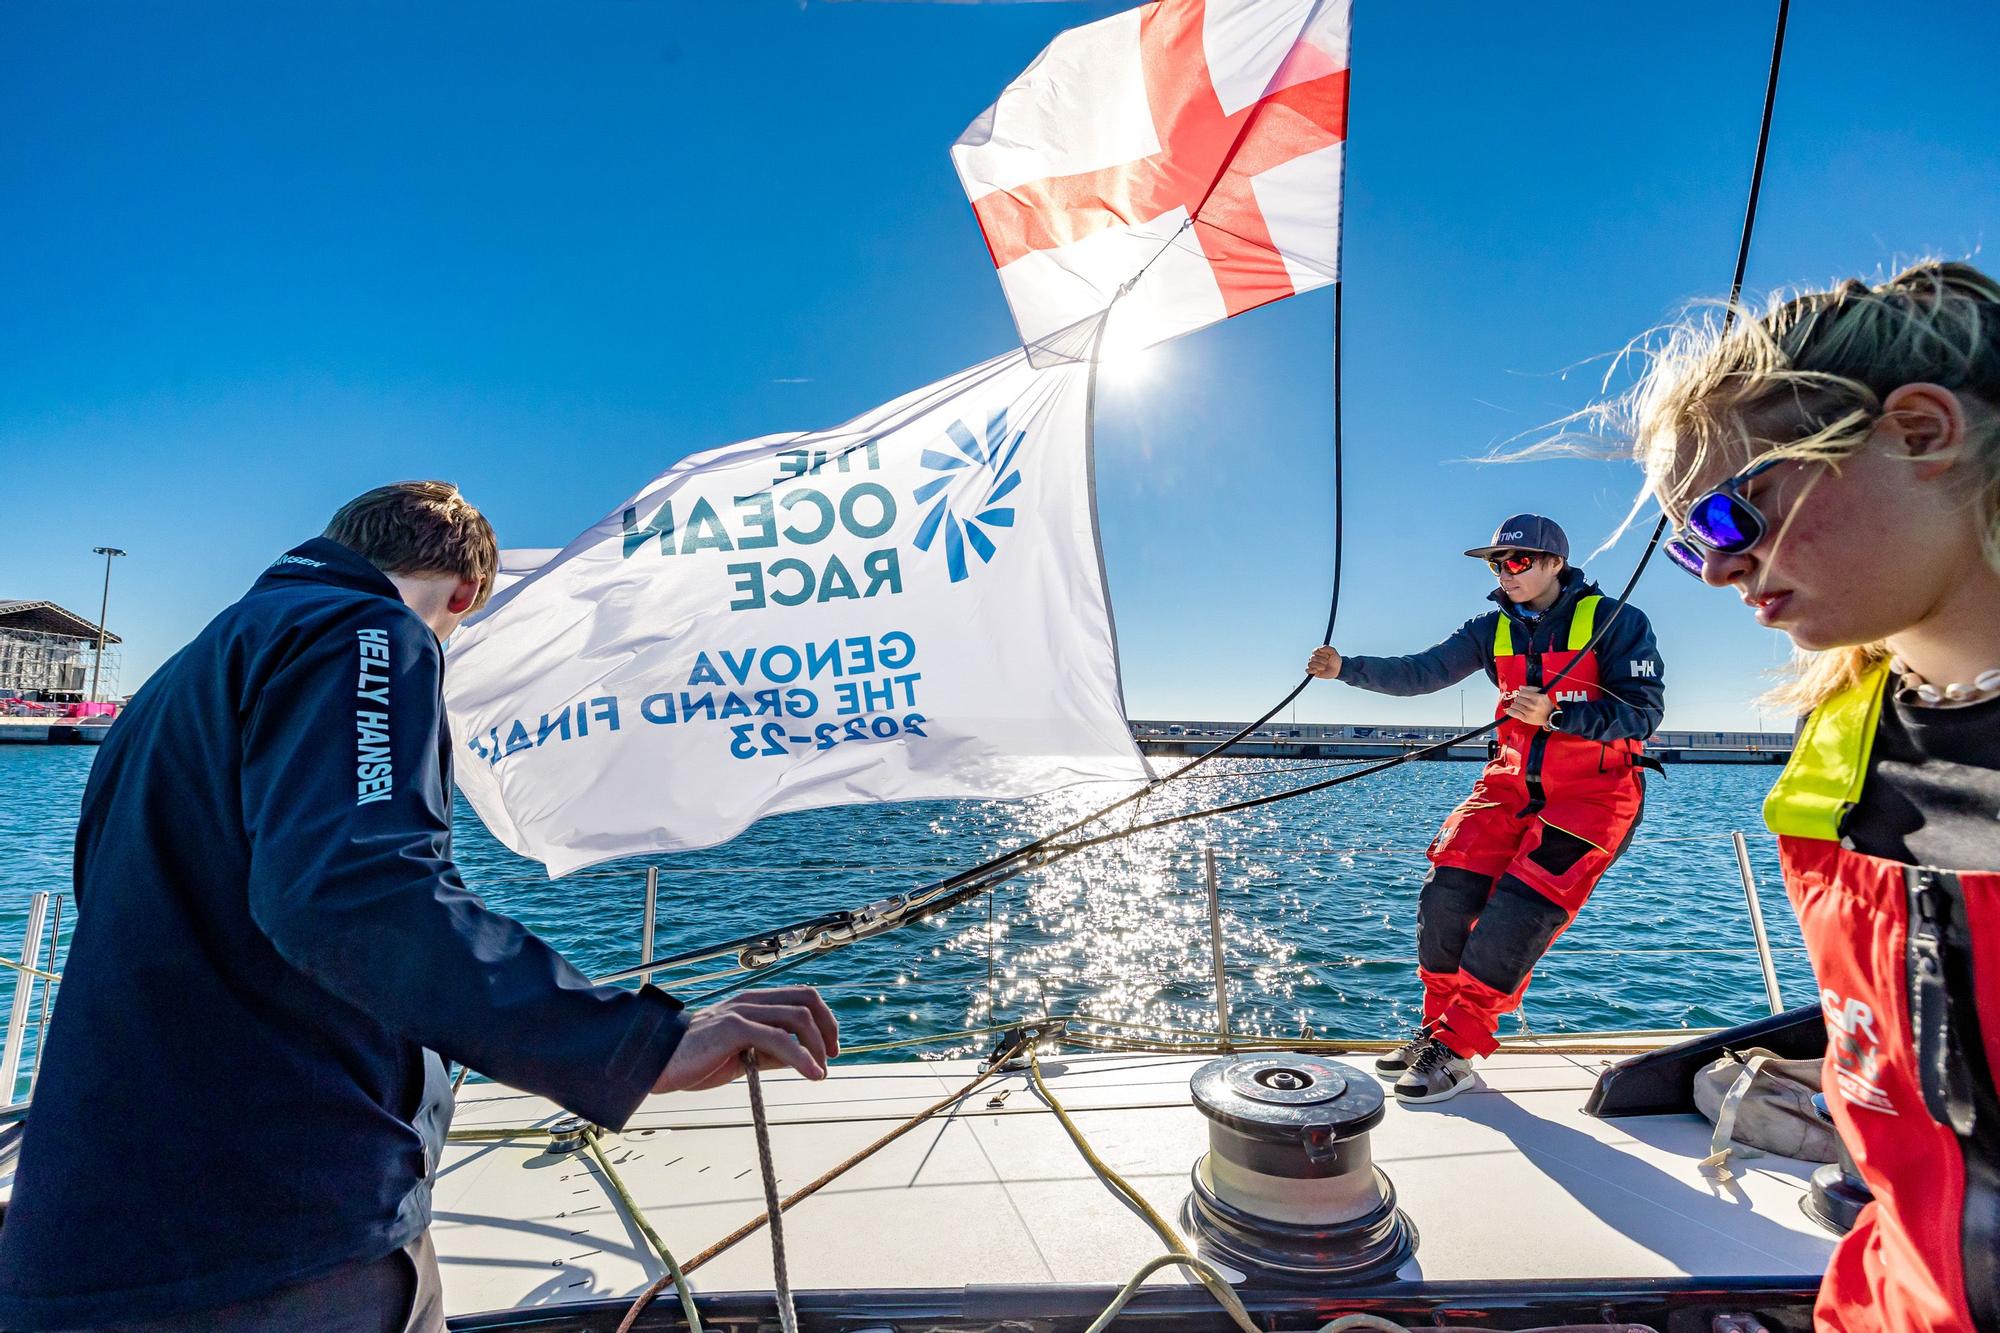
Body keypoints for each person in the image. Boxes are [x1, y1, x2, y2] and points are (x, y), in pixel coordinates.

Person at [0, 482, 839, 1332]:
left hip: (106, 1222)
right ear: (463, 597)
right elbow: (355, 894)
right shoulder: (361, 630)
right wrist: (640, 1044)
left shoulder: (183, 679)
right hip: (268, 1243)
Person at [1627, 261, 1999, 1333]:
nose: (1711, 570)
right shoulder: (1834, 754)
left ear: (1918, 433)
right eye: (1688, 542)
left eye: (1729, 513)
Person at [1305, 514, 1665, 1104]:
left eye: (1518, 561)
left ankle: (1460, 1044)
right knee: (1444, 898)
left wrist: (1556, 715)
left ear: (1555, 563)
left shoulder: (1616, 622)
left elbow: (1643, 715)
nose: (1506, 572)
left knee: (1516, 916)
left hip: (1592, 799)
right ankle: (1437, 1031)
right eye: (1497, 563)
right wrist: (1347, 670)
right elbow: (1421, 672)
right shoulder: (1488, 627)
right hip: (1507, 789)